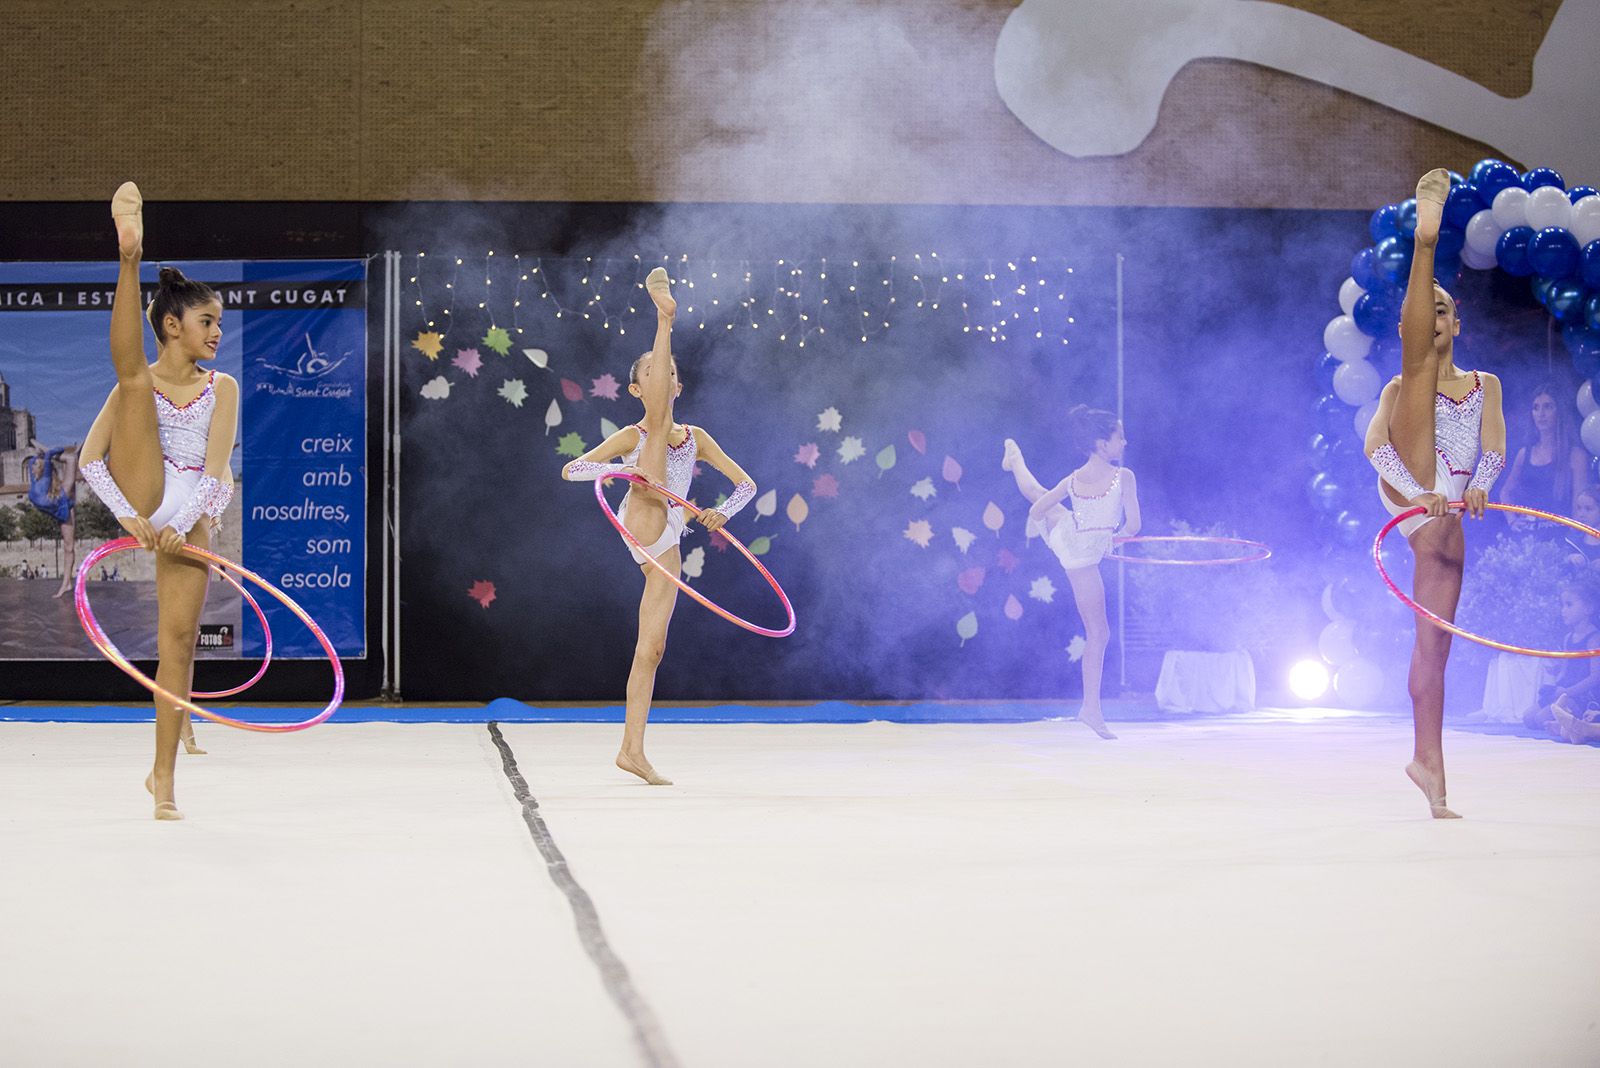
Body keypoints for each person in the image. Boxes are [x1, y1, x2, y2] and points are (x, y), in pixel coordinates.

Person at [561, 268, 757, 785]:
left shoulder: (697, 437)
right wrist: (618, 470)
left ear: (677, 381)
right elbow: (573, 469)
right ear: (635, 386)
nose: (663, 375)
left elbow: (746, 486)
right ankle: (663, 318)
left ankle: (632, 751)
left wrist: (721, 513)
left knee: (652, 649)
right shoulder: (633, 432)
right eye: (653, 368)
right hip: (642, 511)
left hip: (670, 529)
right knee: (651, 453)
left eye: (668, 370)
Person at [78, 183, 237, 819]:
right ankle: (128, 256)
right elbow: (92, 461)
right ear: (172, 325)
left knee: (178, 644)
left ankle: (163, 780)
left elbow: (221, 475)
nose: (218, 333)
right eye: (207, 322)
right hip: (146, 483)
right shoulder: (137, 387)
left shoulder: (221, 387)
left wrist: (185, 524)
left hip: (193, 508)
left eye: (220, 323)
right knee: (133, 383)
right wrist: (133, 518)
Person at [1363, 168, 1508, 819]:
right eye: (1429, 310)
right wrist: (1422, 496)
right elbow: (1376, 452)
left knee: (1434, 645)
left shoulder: (1486, 383)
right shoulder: (1403, 385)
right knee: (1417, 377)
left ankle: (1429, 768)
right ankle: (1427, 241)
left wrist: (1475, 488)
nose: (1437, 318)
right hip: (1407, 489)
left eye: (1445, 308)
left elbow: (1495, 448)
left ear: (1460, 322)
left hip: (1447, 514)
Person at [1001, 405, 1142, 740]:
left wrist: (1080, 534)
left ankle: (1015, 461)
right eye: (1119, 437)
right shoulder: (1125, 477)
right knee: (1100, 633)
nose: (1125, 442)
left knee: (1036, 492)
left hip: (1071, 537)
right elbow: (1134, 526)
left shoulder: (1073, 479)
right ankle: (1090, 709)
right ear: (1102, 444)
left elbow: (1037, 508)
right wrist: (1112, 540)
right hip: (1082, 557)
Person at [1499, 382, 1587, 532]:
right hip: (1527, 537)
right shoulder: (1524, 454)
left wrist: (1572, 539)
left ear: (1559, 411)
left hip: (1559, 537)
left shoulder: (1575, 455)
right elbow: (1505, 492)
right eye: (1536, 407)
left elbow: (1579, 509)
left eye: (1548, 406)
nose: (1541, 414)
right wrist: (1512, 520)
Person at [1522, 576, 1600, 736]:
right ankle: (1563, 724)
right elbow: (1565, 670)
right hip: (1564, 690)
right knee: (1528, 718)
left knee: (1540, 719)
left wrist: (1568, 692)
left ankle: (1573, 725)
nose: (1563, 610)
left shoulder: (1594, 638)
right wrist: (1555, 684)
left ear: (1588, 608)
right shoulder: (1568, 638)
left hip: (1581, 694)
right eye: (1562, 605)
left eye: (1569, 605)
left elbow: (1595, 677)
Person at [25, 443, 83, 598]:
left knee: (68, 547)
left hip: (64, 504)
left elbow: (54, 457)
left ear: (42, 469)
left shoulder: (46, 480)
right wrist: (38, 448)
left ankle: (66, 583)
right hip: (57, 507)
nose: (31, 469)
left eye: (35, 466)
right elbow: (32, 460)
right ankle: (67, 583)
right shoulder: (35, 482)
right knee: (67, 547)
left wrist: (50, 452)